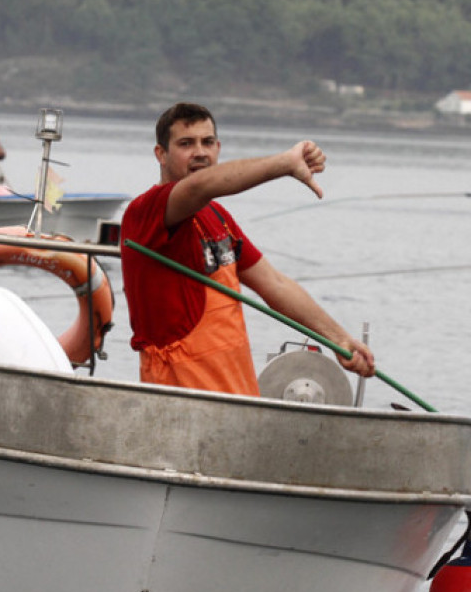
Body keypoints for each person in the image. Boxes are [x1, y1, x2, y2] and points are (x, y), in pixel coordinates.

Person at [120, 101, 375, 396]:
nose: (200, 152)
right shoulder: (146, 211)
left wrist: (340, 339)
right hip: (179, 402)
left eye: (208, 142)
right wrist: (284, 164)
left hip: (236, 399)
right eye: (186, 143)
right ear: (160, 154)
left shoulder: (218, 217)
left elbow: (275, 284)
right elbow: (200, 187)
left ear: (218, 148)